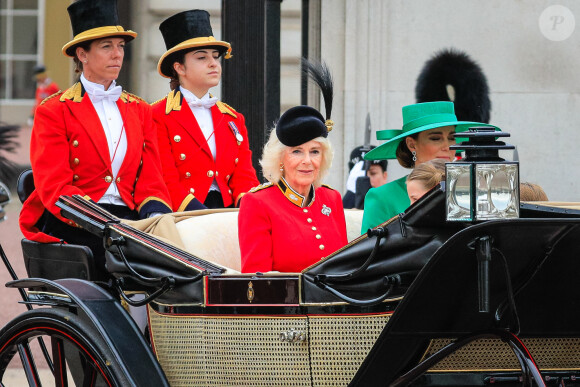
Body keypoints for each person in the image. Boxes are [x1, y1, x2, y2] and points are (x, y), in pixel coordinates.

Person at [19, 0, 172, 277]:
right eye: (107, 46)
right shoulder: (54, 110)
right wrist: (105, 224)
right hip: (75, 221)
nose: (117, 54)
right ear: (83, 54)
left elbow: (151, 177)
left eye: (121, 46)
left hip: (130, 221)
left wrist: (154, 217)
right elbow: (55, 187)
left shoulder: (140, 110)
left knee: (176, 265)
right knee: (126, 263)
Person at [239, 60, 347, 273]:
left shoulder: (331, 199)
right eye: (297, 151)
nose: (307, 160)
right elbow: (257, 281)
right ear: (280, 158)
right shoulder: (257, 203)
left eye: (314, 152)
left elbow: (343, 268)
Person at [153, 10, 259, 211]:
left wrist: (248, 210)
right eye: (201, 57)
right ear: (179, 68)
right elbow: (165, 178)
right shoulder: (157, 115)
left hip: (229, 214)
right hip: (183, 214)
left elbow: (245, 176)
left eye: (216, 57)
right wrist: (199, 214)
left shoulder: (234, 118)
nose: (213, 64)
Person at [360, 101, 496, 232]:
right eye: (436, 138)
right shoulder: (383, 197)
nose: (447, 146)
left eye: (451, 138)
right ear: (412, 144)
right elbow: (369, 253)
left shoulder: (475, 190)